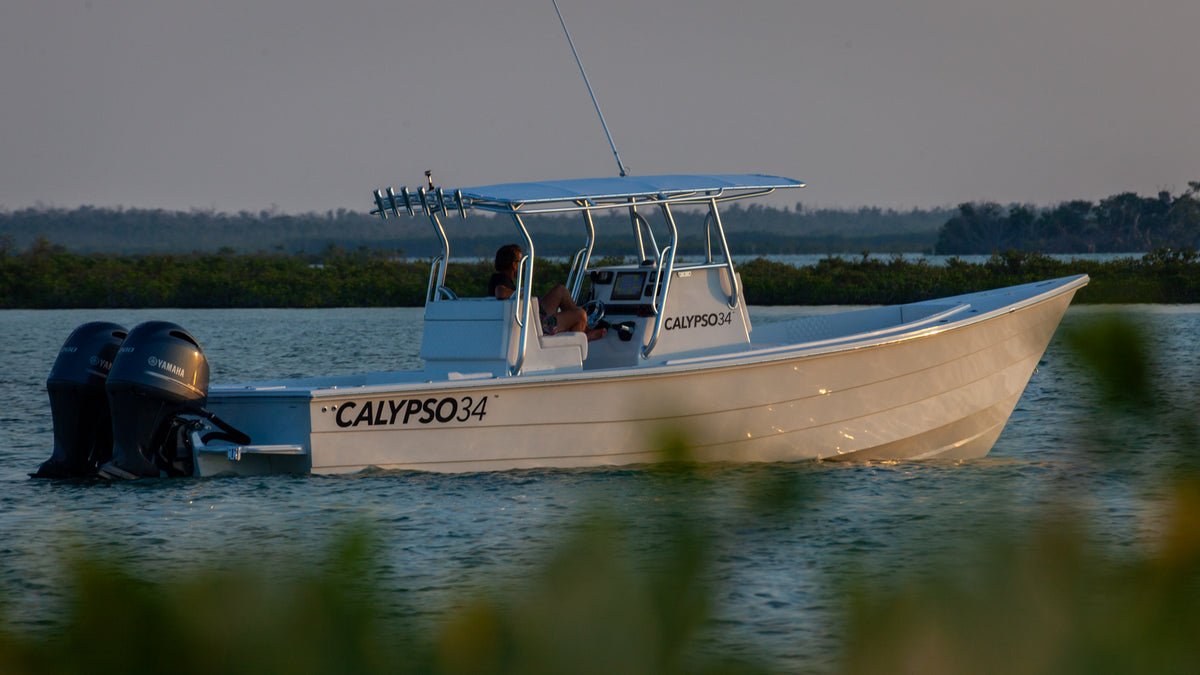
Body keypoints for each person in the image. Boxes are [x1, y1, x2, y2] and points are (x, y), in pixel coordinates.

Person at [489, 244, 606, 341]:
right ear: (514, 265)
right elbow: (500, 293)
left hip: (534, 317)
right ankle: (584, 336)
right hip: (536, 325)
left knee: (560, 290)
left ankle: (585, 328)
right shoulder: (501, 280)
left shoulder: (498, 278)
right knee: (580, 314)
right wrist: (521, 294)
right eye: (520, 262)